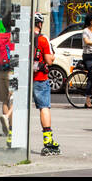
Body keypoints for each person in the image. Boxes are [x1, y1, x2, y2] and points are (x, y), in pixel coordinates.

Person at [31, 13, 60, 154]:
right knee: (44, 107)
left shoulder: (21, 37)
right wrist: (53, 55)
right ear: (40, 24)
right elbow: (49, 61)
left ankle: (12, 136)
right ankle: (48, 140)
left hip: (24, 78)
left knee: (16, 105)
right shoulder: (43, 39)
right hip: (40, 78)